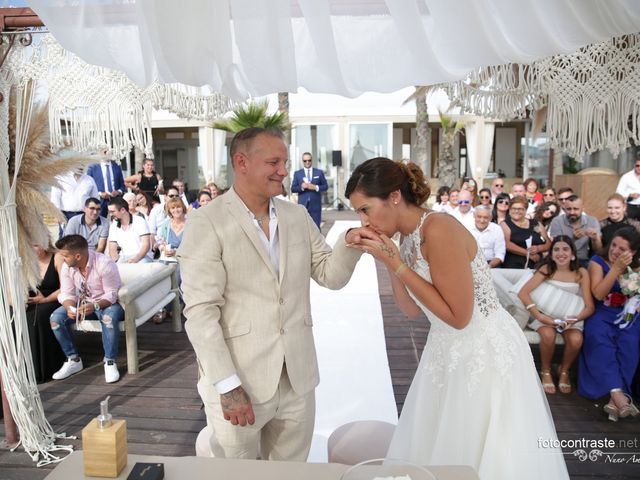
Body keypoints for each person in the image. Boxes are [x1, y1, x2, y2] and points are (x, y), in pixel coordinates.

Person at [344, 157, 568, 480]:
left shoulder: (439, 229)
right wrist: (387, 257)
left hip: (482, 351)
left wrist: (396, 264)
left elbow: (459, 316)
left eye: (365, 209)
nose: (363, 221)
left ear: (394, 196)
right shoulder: (406, 238)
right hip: (444, 351)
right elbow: (410, 309)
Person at [177, 128, 365, 461]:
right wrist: (227, 384)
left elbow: (329, 275)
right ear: (241, 162)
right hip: (239, 383)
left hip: (297, 380)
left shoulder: (296, 215)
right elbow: (201, 312)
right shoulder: (206, 222)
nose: (283, 170)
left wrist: (351, 241)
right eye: (274, 162)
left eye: (285, 162)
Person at [518, 236, 594, 394]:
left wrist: (574, 319)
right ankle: (545, 371)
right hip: (543, 316)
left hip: (570, 319)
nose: (561, 253)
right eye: (556, 249)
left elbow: (589, 306)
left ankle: (564, 370)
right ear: (551, 254)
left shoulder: (581, 272)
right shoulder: (546, 269)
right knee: (548, 335)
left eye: (565, 249)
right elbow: (523, 293)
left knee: (576, 339)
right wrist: (540, 317)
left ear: (572, 252)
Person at [579, 227, 640, 421]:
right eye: (613, 245)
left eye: (621, 249)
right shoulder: (598, 262)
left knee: (629, 344)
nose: (615, 251)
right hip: (601, 313)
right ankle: (618, 395)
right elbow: (598, 293)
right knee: (600, 340)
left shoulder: (637, 267)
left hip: (626, 314)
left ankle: (616, 400)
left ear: (633, 253)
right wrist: (615, 270)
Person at [50, 234, 123, 383]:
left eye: (65, 256)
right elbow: (66, 293)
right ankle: (73, 360)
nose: (62, 259)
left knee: (108, 318)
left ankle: (109, 361)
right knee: (55, 319)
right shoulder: (67, 266)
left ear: (77, 256)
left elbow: (112, 294)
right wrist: (70, 307)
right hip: (83, 303)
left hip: (107, 303)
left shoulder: (104, 263)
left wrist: (95, 306)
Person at [26, 243, 66, 383]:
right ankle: (29, 368)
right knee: (25, 316)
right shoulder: (28, 259)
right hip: (36, 299)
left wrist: (45, 299)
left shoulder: (57, 258)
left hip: (55, 298)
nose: (34, 249)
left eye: (36, 245)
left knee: (40, 317)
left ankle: (47, 366)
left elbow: (65, 287)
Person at [549, 195, 602, 268]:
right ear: (564, 209)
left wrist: (595, 239)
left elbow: (598, 250)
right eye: (568, 209)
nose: (572, 212)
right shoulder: (557, 221)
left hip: (584, 260)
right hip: (563, 259)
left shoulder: (592, 221)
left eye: (576, 209)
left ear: (582, 208)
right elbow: (556, 247)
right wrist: (573, 239)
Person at [502, 196, 551, 269]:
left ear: (526, 210)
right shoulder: (505, 224)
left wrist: (539, 248)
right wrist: (528, 254)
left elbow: (548, 243)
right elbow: (507, 244)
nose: (516, 211)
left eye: (520, 209)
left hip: (536, 266)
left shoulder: (536, 223)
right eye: (514, 208)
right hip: (514, 266)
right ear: (509, 209)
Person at [107, 196, 152, 264]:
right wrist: (116, 262)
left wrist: (135, 260)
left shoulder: (139, 221)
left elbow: (146, 245)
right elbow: (112, 250)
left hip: (142, 257)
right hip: (124, 258)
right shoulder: (113, 226)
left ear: (122, 210)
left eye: (112, 212)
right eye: (109, 212)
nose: (110, 214)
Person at [291, 152, 329, 228]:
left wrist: (316, 187)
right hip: (302, 205)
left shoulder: (319, 172)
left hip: (315, 204)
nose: (307, 162)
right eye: (305, 161)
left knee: (316, 227)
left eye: (309, 160)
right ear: (303, 161)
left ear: (312, 160)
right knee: (302, 227)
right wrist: (301, 187)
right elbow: (293, 189)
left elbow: (325, 186)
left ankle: (317, 240)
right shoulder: (298, 173)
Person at [86, 150, 126, 217]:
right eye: (105, 151)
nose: (107, 153)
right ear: (100, 152)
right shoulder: (93, 167)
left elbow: (122, 185)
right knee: (100, 221)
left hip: (115, 200)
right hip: (100, 201)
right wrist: (100, 193)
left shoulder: (116, 166)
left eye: (108, 151)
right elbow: (88, 186)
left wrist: (118, 192)